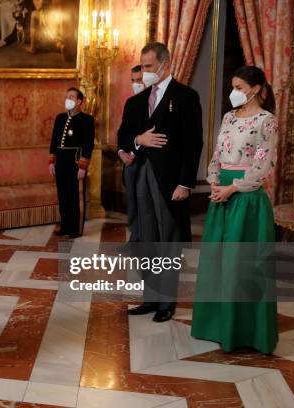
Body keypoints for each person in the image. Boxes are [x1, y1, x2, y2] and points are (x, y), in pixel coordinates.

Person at [191, 66, 278, 354]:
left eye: (239, 87)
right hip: (221, 196)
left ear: (254, 89)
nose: (234, 92)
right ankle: (215, 326)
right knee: (217, 264)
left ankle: (246, 332)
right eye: (233, 86)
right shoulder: (228, 117)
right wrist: (214, 181)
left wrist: (233, 188)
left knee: (241, 267)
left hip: (246, 198)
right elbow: (217, 154)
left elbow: (262, 165)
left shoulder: (267, 121)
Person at [118, 42, 203, 322]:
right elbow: (123, 137)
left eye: (150, 67)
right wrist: (136, 140)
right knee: (146, 239)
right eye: (142, 66)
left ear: (166, 64)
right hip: (141, 176)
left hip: (169, 182)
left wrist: (185, 183)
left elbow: (194, 145)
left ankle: (167, 303)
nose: (145, 72)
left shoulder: (186, 97)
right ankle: (150, 297)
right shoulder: (136, 102)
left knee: (169, 240)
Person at [49, 87, 95, 238]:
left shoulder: (87, 120)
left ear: (79, 101)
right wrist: (51, 161)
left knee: (75, 195)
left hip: (75, 161)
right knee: (63, 195)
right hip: (61, 162)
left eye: (71, 97)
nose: (67, 99)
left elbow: (88, 144)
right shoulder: (60, 118)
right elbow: (54, 141)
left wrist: (83, 166)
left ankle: (75, 229)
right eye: (66, 96)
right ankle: (65, 226)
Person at [117, 64, 145, 248]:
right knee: (132, 202)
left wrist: (133, 152)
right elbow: (123, 132)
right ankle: (134, 238)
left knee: (145, 203)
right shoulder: (131, 103)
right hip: (129, 161)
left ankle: (146, 241)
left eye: (139, 80)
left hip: (145, 160)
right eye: (133, 81)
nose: (136, 84)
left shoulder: (156, 103)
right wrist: (121, 152)